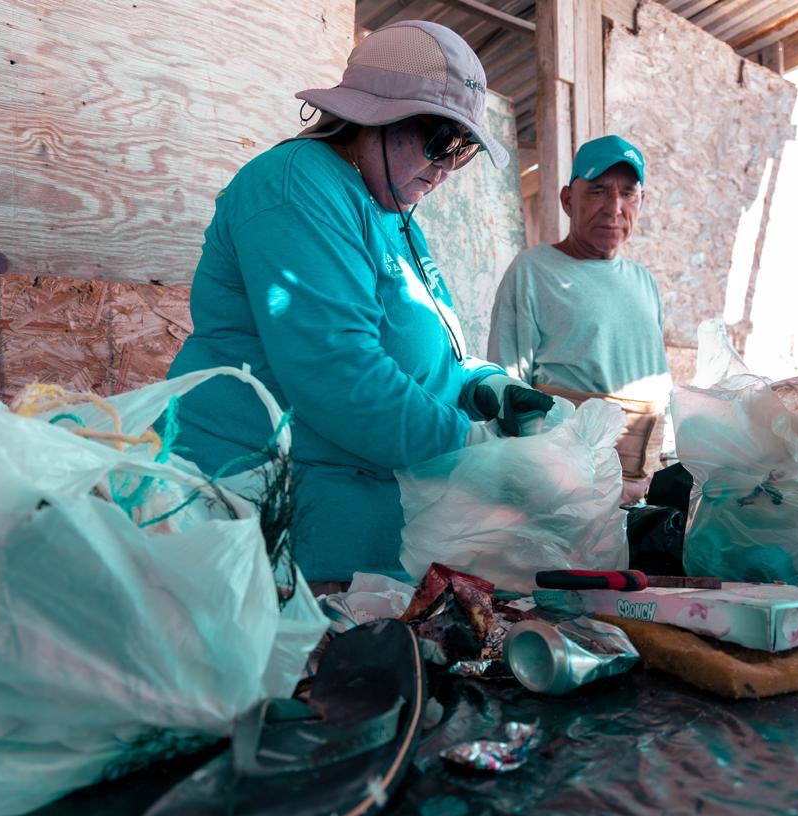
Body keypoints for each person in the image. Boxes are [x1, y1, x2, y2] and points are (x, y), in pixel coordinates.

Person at [166, 20, 553, 584]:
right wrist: (472, 450)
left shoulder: (396, 217)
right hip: (274, 520)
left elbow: (425, 353)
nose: (447, 166)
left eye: (463, 149)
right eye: (440, 140)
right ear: (374, 115)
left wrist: (486, 385)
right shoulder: (295, 186)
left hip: (353, 524)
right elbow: (338, 374)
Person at [488, 135, 671, 504]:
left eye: (628, 193)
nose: (614, 207)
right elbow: (503, 389)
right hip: (566, 493)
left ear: (642, 202)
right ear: (567, 199)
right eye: (598, 191)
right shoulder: (533, 271)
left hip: (639, 494)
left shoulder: (644, 281)